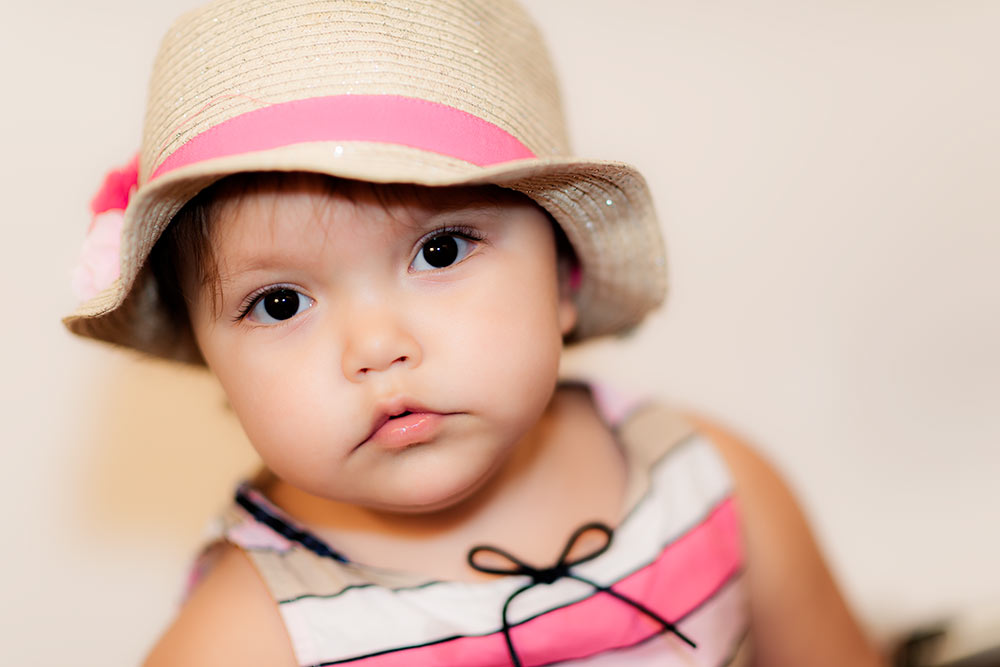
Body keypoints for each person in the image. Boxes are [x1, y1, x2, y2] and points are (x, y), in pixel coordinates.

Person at [64, 0, 885, 665]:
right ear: (214, 364)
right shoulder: (251, 637)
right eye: (280, 303)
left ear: (564, 276)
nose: (376, 347)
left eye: (441, 249)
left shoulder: (712, 488)